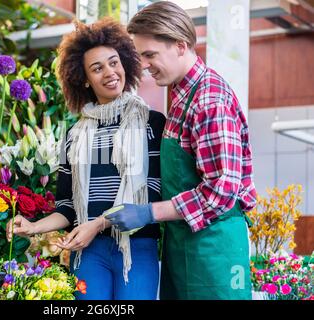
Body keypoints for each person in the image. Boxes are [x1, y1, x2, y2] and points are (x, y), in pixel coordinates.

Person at [106, 1, 257, 300]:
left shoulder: (209, 100)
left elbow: (221, 191)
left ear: (179, 45)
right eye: (141, 56)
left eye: (150, 55)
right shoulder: (180, 97)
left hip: (214, 252)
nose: (145, 66)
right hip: (183, 243)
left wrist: (149, 212)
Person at [6, 17, 165, 300]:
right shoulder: (75, 135)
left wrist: (98, 224)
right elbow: (67, 207)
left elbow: (151, 196)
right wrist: (33, 226)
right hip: (89, 253)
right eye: (97, 68)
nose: (110, 72)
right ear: (84, 80)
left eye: (114, 62)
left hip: (137, 249)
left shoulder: (152, 123)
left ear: (125, 63)